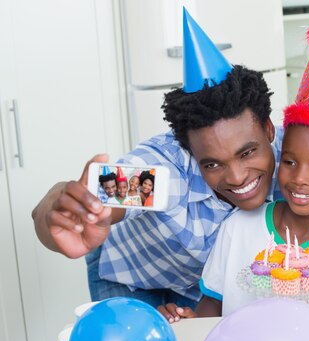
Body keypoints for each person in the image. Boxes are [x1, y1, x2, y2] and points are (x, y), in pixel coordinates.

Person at [31, 9, 282, 309]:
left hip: (199, 286)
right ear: (190, 150)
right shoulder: (168, 174)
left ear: (268, 129)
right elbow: (94, 194)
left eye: (247, 152)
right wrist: (67, 212)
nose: (238, 177)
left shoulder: (293, 159)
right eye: (212, 163)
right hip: (130, 274)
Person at [159, 23, 309, 320]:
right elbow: (212, 307)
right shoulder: (237, 228)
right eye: (289, 162)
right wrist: (189, 322)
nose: (300, 177)